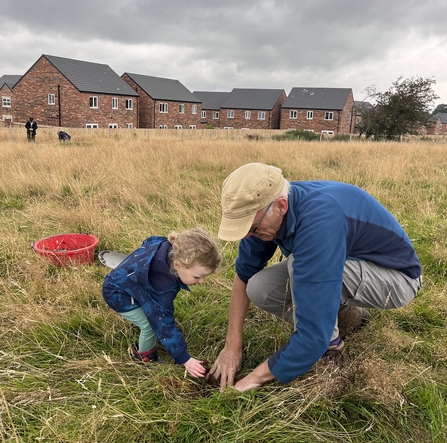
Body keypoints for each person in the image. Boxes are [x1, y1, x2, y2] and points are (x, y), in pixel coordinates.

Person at [210, 162, 422, 391]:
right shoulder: (265, 213)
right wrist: (232, 346)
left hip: (396, 279)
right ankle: (351, 317)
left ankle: (332, 348)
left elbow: (313, 337)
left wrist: (252, 380)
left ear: (280, 206)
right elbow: (243, 276)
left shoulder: (319, 221)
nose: (249, 235)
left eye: (251, 228)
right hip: (348, 266)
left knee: (299, 266)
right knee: (259, 287)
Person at [102, 228, 222, 378]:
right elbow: (161, 320)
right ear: (177, 265)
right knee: (150, 325)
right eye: (197, 277)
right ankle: (145, 358)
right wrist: (184, 358)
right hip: (117, 293)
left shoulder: (167, 246)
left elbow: (149, 241)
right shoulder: (160, 285)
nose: (202, 281)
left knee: (154, 316)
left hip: (128, 285)